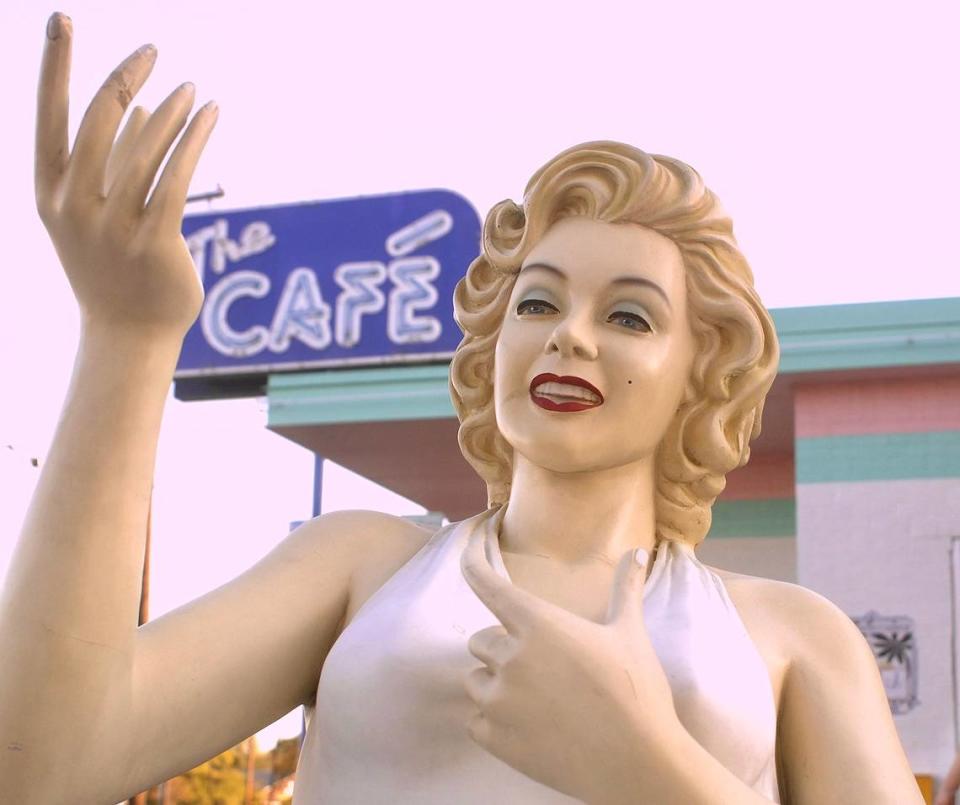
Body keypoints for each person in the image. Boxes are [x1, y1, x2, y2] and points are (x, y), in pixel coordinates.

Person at [0, 13, 924, 804]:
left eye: (630, 315)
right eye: (538, 302)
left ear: (702, 370)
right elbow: (45, 763)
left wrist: (657, 767)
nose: (570, 336)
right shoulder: (359, 567)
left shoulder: (794, 637)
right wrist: (126, 337)